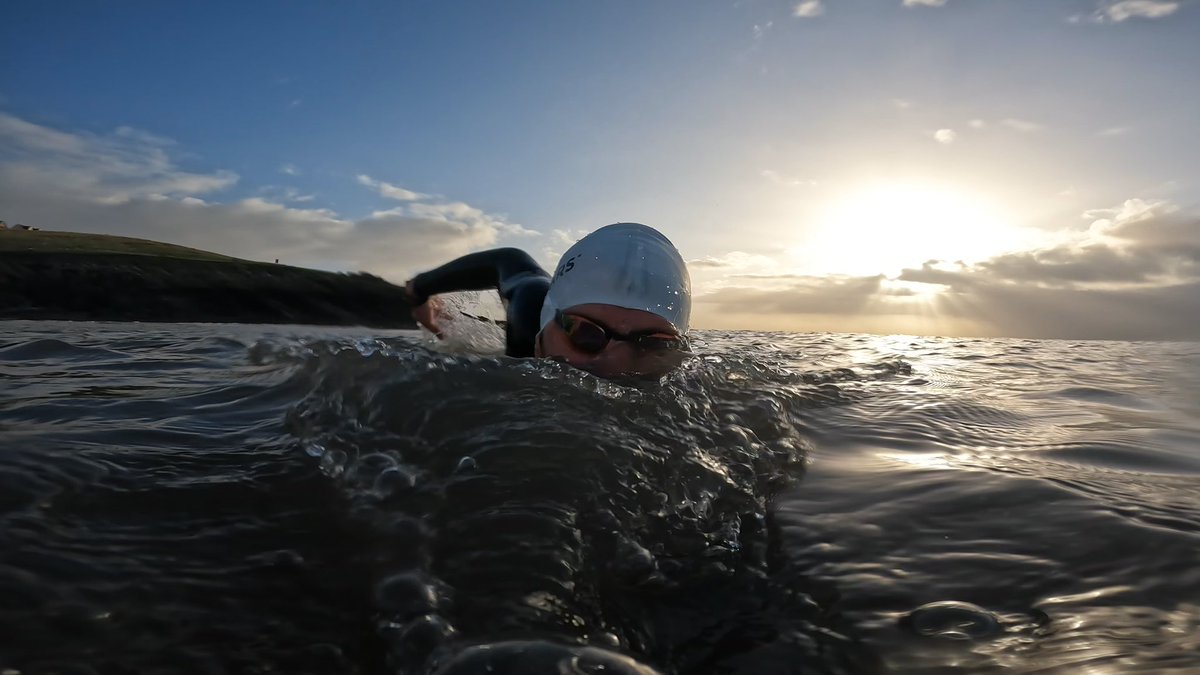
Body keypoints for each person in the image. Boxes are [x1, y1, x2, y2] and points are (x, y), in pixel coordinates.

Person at [403, 222, 692, 379]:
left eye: (653, 344)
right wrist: (420, 294)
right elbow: (506, 259)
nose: (614, 366)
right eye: (586, 334)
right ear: (546, 324)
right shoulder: (528, 314)